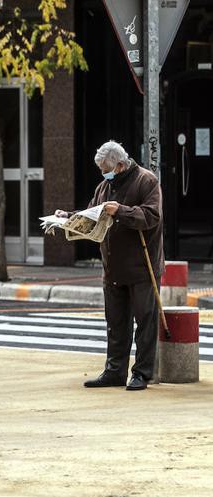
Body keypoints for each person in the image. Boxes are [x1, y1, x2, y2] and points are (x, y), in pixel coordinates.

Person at [56, 140, 164, 391]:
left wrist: (122, 211)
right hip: (113, 267)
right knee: (115, 323)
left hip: (141, 267)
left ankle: (141, 373)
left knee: (145, 322)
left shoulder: (146, 181)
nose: (103, 173)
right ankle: (114, 371)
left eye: (106, 168)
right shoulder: (104, 186)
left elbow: (152, 216)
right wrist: (69, 218)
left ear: (120, 164)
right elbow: (92, 214)